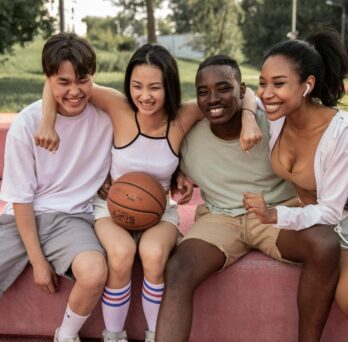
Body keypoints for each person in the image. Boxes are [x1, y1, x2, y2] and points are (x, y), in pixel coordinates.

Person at [35, 44, 260, 342]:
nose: (145, 95)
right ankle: (114, 336)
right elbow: (56, 81)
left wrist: (249, 119)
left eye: (155, 87)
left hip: (159, 211)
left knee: (153, 255)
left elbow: (247, 92)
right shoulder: (118, 106)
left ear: (169, 86)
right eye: (137, 86)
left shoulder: (183, 116)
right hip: (110, 208)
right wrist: (47, 122)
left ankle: (156, 335)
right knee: (121, 253)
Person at [155, 55, 341, 342]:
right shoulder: (188, 137)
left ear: (242, 91)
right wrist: (177, 172)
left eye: (223, 88)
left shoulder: (274, 123)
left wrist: (250, 115)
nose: (213, 98)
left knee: (324, 243)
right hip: (220, 218)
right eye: (203, 92)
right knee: (179, 268)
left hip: (275, 213)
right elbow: (154, 156)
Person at [0, 33, 113, 342]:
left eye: (83, 80)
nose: (74, 91)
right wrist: (38, 262)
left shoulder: (106, 118)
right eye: (63, 82)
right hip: (21, 217)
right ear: (48, 80)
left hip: (71, 218)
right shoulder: (28, 122)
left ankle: (65, 335)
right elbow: (21, 199)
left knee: (94, 272)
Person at [242, 30, 348, 324]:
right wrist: (249, 118)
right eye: (264, 82)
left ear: (307, 85)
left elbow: (330, 211)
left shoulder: (340, 132)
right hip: (322, 226)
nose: (267, 93)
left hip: (341, 222)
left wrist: (275, 215)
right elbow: (246, 94)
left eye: (278, 83)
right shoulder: (279, 116)